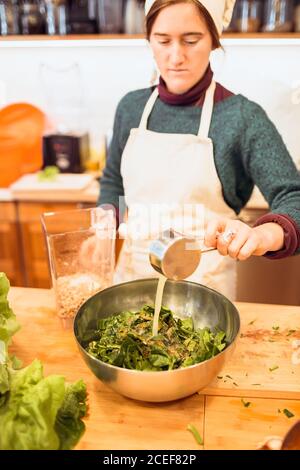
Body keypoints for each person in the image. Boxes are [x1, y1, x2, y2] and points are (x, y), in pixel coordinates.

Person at [98, 0, 300, 299]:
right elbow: (115, 180)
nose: (176, 56)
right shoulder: (131, 107)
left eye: (191, 40)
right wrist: (103, 230)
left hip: (205, 291)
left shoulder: (242, 118)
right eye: (163, 41)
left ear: (214, 41)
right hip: (132, 279)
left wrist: (261, 235)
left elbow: (293, 197)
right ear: (149, 40)